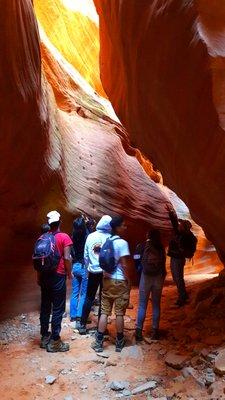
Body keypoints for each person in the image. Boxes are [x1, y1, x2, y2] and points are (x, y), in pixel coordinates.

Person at [91, 216, 131, 353]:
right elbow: (125, 264)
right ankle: (119, 342)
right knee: (119, 313)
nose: (125, 228)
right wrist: (128, 279)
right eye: (123, 225)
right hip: (119, 280)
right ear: (117, 227)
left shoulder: (107, 242)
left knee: (105, 312)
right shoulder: (122, 243)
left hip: (106, 280)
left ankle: (99, 342)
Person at [38, 210, 72, 352]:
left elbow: (39, 259)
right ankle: (55, 342)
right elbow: (67, 258)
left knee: (46, 306)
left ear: (49, 223)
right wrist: (69, 273)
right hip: (58, 275)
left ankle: (45, 337)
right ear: (60, 222)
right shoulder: (64, 237)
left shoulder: (43, 237)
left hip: (45, 276)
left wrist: (38, 277)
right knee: (58, 308)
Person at [78, 215, 112, 335]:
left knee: (89, 297)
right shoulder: (110, 237)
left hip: (93, 271)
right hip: (106, 273)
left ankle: (82, 324)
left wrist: (87, 268)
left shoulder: (91, 236)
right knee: (104, 299)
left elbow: (86, 255)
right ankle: (101, 327)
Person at [135, 229, 166, 341]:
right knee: (156, 304)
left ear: (148, 235)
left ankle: (138, 331)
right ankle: (155, 331)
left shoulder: (142, 246)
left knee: (142, 304)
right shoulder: (161, 247)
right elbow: (163, 262)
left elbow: (136, 259)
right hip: (158, 276)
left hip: (146, 276)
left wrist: (138, 272)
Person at [166, 205, 197, 307]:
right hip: (174, 257)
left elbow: (186, 248)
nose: (179, 226)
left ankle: (182, 298)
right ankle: (184, 295)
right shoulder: (179, 232)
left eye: (181, 225)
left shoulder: (187, 236)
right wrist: (170, 212)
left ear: (184, 227)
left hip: (178, 259)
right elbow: (174, 223)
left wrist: (181, 249)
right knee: (177, 278)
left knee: (178, 278)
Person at [70, 216, 89, 328]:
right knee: (84, 293)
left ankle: (72, 315)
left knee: (75, 292)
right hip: (83, 266)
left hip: (75, 265)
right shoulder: (86, 237)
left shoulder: (72, 236)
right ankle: (79, 316)